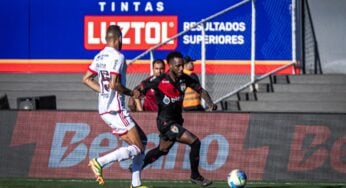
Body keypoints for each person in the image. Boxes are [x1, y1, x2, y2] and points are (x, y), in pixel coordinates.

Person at [136, 51, 217, 187]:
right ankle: (195, 176)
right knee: (195, 142)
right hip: (165, 122)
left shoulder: (185, 79)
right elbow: (142, 86)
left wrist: (210, 103)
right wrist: (137, 91)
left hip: (177, 121)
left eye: (182, 65)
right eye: (178, 66)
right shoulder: (160, 79)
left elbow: (201, 90)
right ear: (170, 66)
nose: (181, 68)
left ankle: (137, 166)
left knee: (162, 150)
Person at [82, 25, 148, 188]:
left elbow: (86, 79)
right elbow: (114, 84)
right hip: (115, 109)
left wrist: (102, 91)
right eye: (122, 39)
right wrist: (132, 93)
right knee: (138, 147)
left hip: (105, 108)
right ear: (118, 38)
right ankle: (100, 162)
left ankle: (136, 183)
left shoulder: (99, 56)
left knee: (143, 140)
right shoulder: (118, 56)